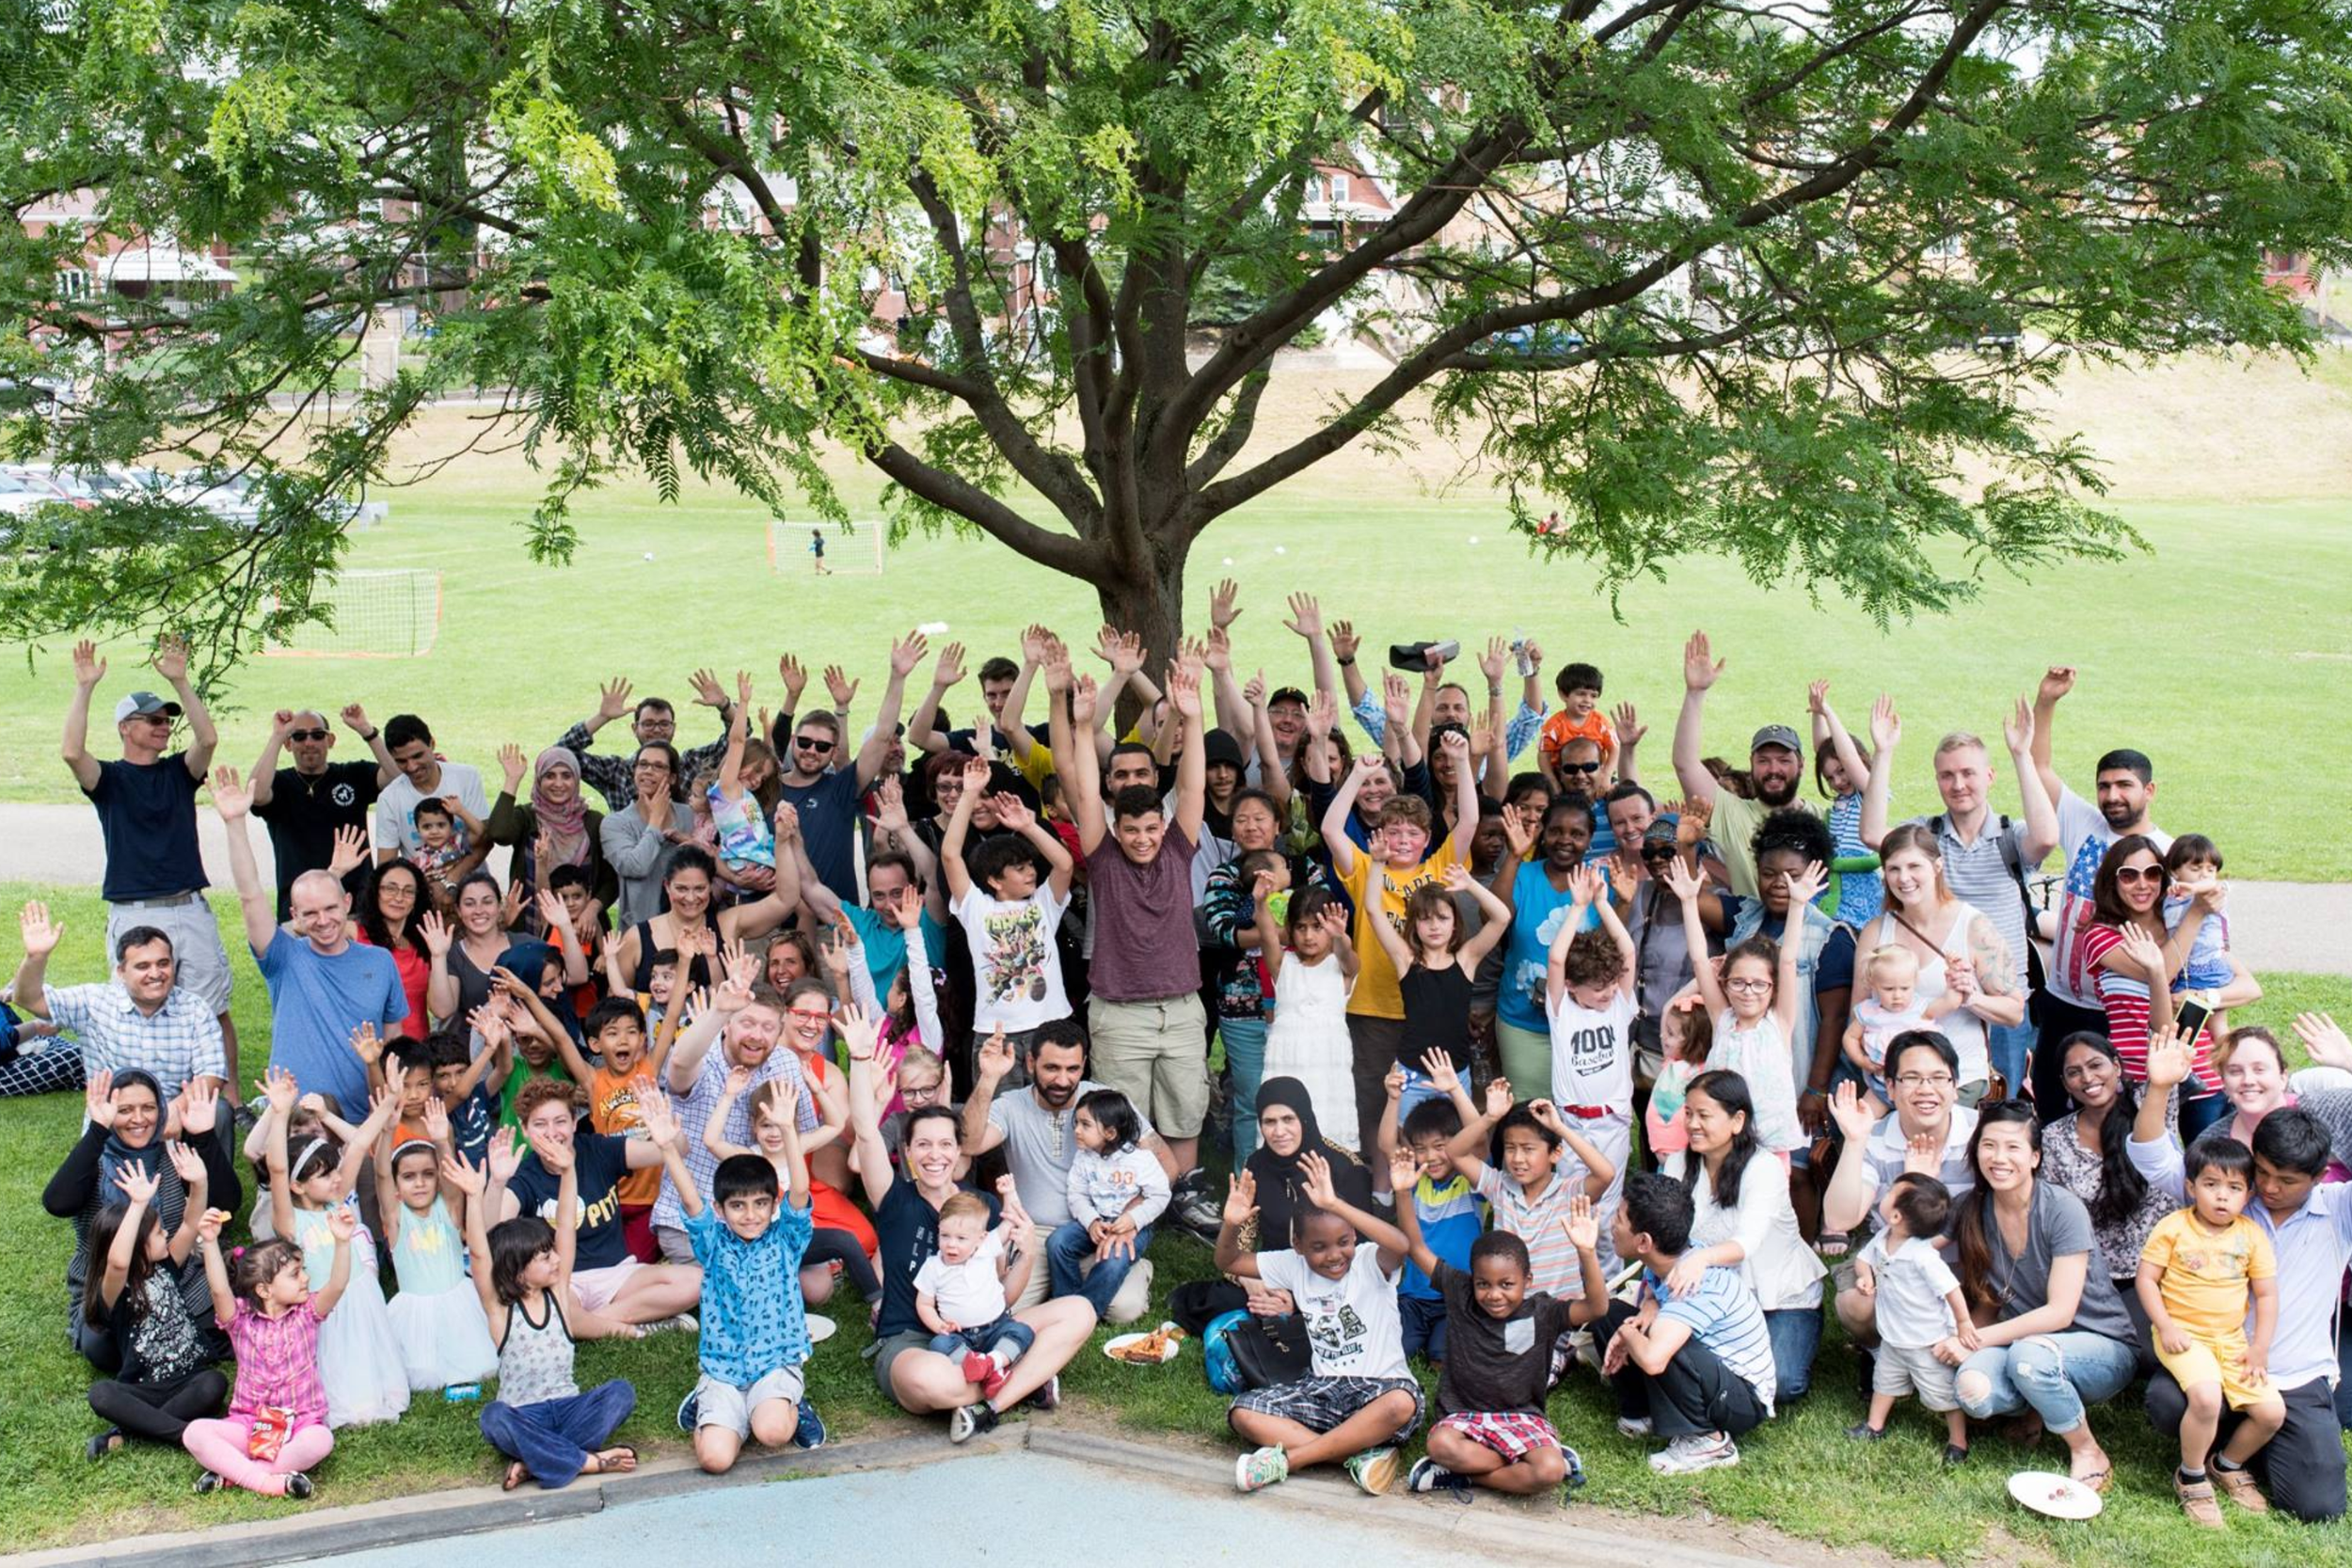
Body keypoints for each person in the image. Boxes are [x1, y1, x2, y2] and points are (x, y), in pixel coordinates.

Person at [844, 1006, 1097, 1441]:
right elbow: (866, 1134)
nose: (935, 1155)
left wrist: (1027, 1251)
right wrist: (862, 1062)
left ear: (961, 1151)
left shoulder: (982, 1204)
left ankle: (992, 1404)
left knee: (1080, 1311)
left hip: (987, 1332)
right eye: (922, 1145)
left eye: (945, 1144)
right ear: (907, 1153)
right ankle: (1024, 1379)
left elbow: (1001, 1293)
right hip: (912, 1340)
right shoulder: (895, 1198)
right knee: (934, 1383)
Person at [2137, 1047, 2349, 1522]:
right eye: (2265, 1173)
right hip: (2214, 1356)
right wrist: (2159, 1086)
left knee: (2317, 1508)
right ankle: (2202, 1464)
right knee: (2170, 1403)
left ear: (2318, 1177)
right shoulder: (2228, 1197)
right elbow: (2155, 1158)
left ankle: (2233, 1458)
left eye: (2289, 1180)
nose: (2271, 1188)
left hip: (2295, 1376)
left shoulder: (2339, 1209)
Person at [1049, 646, 1214, 1186]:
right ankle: (1133, 1198)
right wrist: (1079, 723)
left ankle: (1180, 1196)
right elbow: (1083, 788)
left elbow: (1191, 787)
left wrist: (1192, 713)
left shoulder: (1178, 846)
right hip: (1120, 1013)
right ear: (1117, 830)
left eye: (1150, 829)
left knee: (1186, 1112)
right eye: (1132, 830)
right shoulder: (1101, 857)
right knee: (1123, 1118)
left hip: (1182, 1009)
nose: (1142, 839)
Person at [62, 636, 241, 1100]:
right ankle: (141, 1095)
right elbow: (71, 753)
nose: (165, 728)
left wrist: (180, 680)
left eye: (167, 721)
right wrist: (84, 688)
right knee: (135, 1004)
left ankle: (229, 1099)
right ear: (126, 727)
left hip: (189, 908)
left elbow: (208, 738)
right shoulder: (109, 779)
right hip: (134, 911)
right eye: (154, 720)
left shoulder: (179, 772)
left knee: (212, 1008)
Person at [1860, 697, 2058, 1101]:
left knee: (1998, 1111)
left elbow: (2048, 836)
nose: (1958, 784)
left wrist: (2022, 755)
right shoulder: (1927, 837)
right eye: (1947, 775)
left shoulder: (2009, 836)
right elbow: (1874, 834)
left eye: (1968, 773)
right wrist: (1883, 753)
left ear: (1989, 776)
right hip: (1929, 999)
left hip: (1998, 1002)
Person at [1945, 1101, 2139, 1494]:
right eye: (1989, 1145)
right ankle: (2035, 1407)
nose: (1999, 1158)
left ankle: (2087, 1450)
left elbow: (2060, 1312)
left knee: (2029, 1358)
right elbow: (1988, 1295)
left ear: (2034, 1157)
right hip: (2025, 1346)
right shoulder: (1971, 1208)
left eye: (2013, 1148)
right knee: (1972, 1388)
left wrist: (1975, 1339)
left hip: (2100, 1345)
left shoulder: (2062, 1209)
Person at [1214, 1151, 1422, 1496]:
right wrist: (1232, 1223)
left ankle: (1290, 1461)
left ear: (1354, 1235)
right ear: (1297, 1246)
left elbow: (1401, 1244)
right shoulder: (1292, 1265)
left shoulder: (1370, 1260)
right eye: (1319, 1247)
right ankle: (1357, 1456)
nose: (1335, 1255)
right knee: (1243, 1413)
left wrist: (1337, 1205)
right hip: (1322, 1391)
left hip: (1380, 1389)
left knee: (1402, 1403)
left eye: (1343, 1241)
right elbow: (1229, 1260)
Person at [1392, 1159, 1600, 1497]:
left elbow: (1597, 1307)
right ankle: (1509, 1465)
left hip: (1520, 1417)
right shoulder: (1459, 1292)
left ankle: (1464, 1475)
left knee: (1547, 1472)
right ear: (1471, 1280)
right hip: (1463, 1417)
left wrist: (1587, 1253)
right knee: (1441, 1446)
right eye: (1483, 1284)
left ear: (1527, 1281)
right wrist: (1403, 1194)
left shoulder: (1543, 1312)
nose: (1494, 1294)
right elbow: (1416, 1248)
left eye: (1506, 1284)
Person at [446, 1140, 641, 1490]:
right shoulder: (500, 1309)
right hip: (523, 1414)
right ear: (518, 1272)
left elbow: (567, 1225)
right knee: (494, 1418)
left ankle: (535, 1461)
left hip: (569, 1408)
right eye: (544, 1257)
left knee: (620, 1393)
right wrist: (474, 1198)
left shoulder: (559, 1297)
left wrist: (568, 1172)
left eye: (552, 1253)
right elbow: (478, 1254)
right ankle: (587, 1461)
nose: (556, 1260)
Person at [1324, 736, 1480, 1172]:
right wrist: (1356, 775)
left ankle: (1441, 1181)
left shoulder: (1438, 868)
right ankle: (1383, 1186)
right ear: (1380, 835)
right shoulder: (1365, 867)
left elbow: (1468, 821)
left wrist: (1463, 760)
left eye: (1413, 833)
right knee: (1377, 1103)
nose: (1403, 840)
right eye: (1394, 832)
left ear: (1427, 838)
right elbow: (1331, 829)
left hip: (1426, 1015)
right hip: (1374, 1009)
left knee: (1438, 1109)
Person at [215, 768, 407, 1119]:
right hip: (296, 1120)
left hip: (363, 1121)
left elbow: (394, 1043)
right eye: (310, 913)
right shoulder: (282, 959)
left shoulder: (380, 962)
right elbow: (250, 895)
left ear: (348, 903)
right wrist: (234, 823)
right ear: (295, 915)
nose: (323, 921)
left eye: (331, 908)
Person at [649, 1093, 826, 1471]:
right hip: (723, 1368)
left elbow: (799, 1191)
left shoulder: (786, 1239)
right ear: (721, 1209)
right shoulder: (712, 1242)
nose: (750, 1215)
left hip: (774, 1363)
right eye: (738, 1206)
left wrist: (788, 1131)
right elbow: (691, 1202)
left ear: (773, 1205)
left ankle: (788, 1406)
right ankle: (711, 1404)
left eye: (760, 1204)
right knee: (715, 1460)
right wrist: (667, 1147)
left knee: (773, 1432)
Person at [961, 1022, 1176, 1321]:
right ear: (1031, 1062)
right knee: (1005, 1309)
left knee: (1124, 1310)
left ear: (1084, 1064)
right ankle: (1064, 1293)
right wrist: (989, 1078)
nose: (1063, 1080)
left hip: (1104, 1229)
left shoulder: (1107, 1103)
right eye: (1051, 1068)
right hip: (1035, 1233)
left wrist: (1132, 1219)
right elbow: (969, 1144)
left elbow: (1167, 1164)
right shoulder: (1010, 1105)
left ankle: (1129, 1268)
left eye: (1073, 1069)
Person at [2136, 1135, 2283, 1524]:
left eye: (2234, 1188)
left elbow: (2266, 1295)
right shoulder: (2174, 1227)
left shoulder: (2251, 1235)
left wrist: (2260, 1348)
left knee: (2271, 1412)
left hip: (2232, 1341)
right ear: (2191, 1186)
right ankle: (2191, 1475)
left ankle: (2227, 1464)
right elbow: (2147, 1280)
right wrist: (2164, 1326)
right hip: (2183, 1335)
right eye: (2211, 1184)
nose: (2222, 1197)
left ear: (2248, 1194)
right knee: (2204, 1397)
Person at [46, 1070, 237, 1369]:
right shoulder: (93, 1161)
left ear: (161, 1109)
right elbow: (57, 1203)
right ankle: (174, 1342)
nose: (139, 1119)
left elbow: (226, 1204)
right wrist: (98, 1129)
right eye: (124, 1110)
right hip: (106, 1285)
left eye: (148, 1108)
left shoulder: (171, 1156)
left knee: (228, 1304)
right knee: (100, 1346)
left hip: (177, 1274)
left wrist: (203, 1137)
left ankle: (170, 1340)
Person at [259, 1064, 409, 1428]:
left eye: (334, 1171)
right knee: (340, 1372)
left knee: (368, 1358)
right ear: (298, 1186)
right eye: (325, 1175)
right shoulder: (289, 1221)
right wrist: (279, 1115)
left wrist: (388, 1101)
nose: (337, 1178)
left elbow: (358, 1144)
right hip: (325, 1305)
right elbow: (277, 1169)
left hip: (359, 1294)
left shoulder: (337, 1200)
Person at [1599, 1171, 1778, 1476]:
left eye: (1618, 1219)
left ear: (1644, 1241)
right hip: (1715, 1375)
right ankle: (1644, 1413)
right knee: (1609, 1312)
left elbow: (1655, 1361)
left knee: (1656, 1342)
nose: (1611, 1225)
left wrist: (1628, 1333)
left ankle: (1708, 1442)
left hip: (1742, 1399)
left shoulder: (1693, 1285)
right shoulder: (1673, 1256)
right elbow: (1655, 1290)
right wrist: (1649, 1306)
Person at [1671, 1070, 1828, 1402]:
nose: (1692, 1124)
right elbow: (1665, 1232)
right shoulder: (1677, 1163)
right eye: (1688, 1113)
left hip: (1779, 1298)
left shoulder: (1763, 1167)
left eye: (1704, 1115)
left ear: (1737, 1120)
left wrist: (1699, 1257)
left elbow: (1747, 1243)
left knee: (1781, 1384)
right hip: (1710, 1294)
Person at [1821, 1033, 1982, 1343]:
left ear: (1955, 1085)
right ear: (1891, 1088)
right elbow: (1840, 1219)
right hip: (1891, 1263)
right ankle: (1879, 1349)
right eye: (1912, 1078)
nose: (1926, 1089)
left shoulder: (1980, 1133)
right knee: (1856, 1304)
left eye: (1938, 1078)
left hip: (1970, 1261)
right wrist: (1855, 1142)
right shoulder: (1875, 1138)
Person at [1666, 854, 1826, 1159]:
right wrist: (1688, 902)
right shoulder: (1722, 1018)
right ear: (1724, 984)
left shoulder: (1778, 1022)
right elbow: (1700, 958)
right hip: (1723, 1145)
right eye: (1738, 983)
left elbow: (1788, 958)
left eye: (1758, 984)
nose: (1748, 992)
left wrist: (1798, 905)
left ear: (1773, 987)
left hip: (1770, 1146)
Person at [1854, 823, 2025, 1102]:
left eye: (1914, 866)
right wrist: (1864, 1056)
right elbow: (1858, 1013)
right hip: (1890, 1088)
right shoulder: (1875, 932)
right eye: (1894, 869)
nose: (1904, 878)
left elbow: (2014, 1012)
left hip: (1956, 1083)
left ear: (1937, 866)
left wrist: (1971, 998)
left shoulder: (1974, 926)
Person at [181, 1211, 347, 1498]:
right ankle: (268, 1482)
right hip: (250, 1424)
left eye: (303, 1269)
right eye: (295, 1274)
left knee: (321, 1440)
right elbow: (219, 1291)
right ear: (264, 1290)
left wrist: (342, 1242)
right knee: (194, 1433)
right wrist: (209, 1242)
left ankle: (238, 1474)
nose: (306, 1278)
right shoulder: (240, 1320)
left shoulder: (308, 1313)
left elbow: (338, 1285)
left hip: (299, 1424)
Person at [2077, 835, 2232, 1137]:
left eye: (2152, 873)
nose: (2142, 884)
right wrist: (2197, 913)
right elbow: (2163, 969)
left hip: (2205, 1075)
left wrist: (2207, 995)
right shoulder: (2102, 936)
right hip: (2141, 1079)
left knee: (2213, 1176)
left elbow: (2247, 986)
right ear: (2113, 880)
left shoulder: (2178, 920)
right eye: (2129, 875)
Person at [80, 1148, 228, 1460]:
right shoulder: (115, 1291)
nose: (166, 1234)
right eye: (159, 1232)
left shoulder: (167, 1264)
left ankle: (128, 1436)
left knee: (215, 1383)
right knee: (102, 1394)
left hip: (191, 1379)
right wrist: (137, 1205)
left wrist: (199, 1183)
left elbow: (190, 1224)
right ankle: (185, 1435)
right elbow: (119, 1262)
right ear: (137, 1246)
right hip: (144, 1388)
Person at [8, 901, 228, 1105]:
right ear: (121, 971)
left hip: (178, 1123)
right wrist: (35, 957)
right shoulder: (95, 1002)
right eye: (143, 966)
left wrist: (174, 1114)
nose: (155, 973)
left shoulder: (195, 1009)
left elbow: (213, 1074)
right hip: (113, 1125)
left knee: (220, 1112)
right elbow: (30, 999)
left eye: (163, 963)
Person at [1443, 1078, 1617, 1327]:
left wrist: (1561, 1129)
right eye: (1510, 1148)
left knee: (1521, 1360)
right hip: (1507, 1311)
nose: (1517, 1158)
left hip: (1557, 1316)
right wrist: (1490, 1118)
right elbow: (1455, 1152)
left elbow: (1605, 1174)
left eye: (1528, 1149)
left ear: (1555, 1154)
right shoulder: (1499, 1186)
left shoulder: (1569, 1193)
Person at [773, 631, 928, 902]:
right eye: (805, 742)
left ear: (834, 751)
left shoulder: (841, 788)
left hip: (838, 922)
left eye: (822, 746)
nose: (811, 751)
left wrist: (897, 677)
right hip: (775, 919)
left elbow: (881, 735)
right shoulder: (768, 789)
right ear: (794, 741)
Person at [941, 755, 1075, 1055]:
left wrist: (1029, 826)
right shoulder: (976, 908)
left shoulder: (1043, 903)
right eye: (1020, 868)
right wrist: (969, 794)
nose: (1031, 872)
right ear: (994, 880)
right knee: (998, 1103)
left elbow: (1064, 865)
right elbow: (951, 854)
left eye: (1030, 865)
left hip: (1051, 1027)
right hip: (996, 1035)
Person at [2039, 1033, 2179, 1310]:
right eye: (2074, 1072)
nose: (2087, 1078)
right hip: (2097, 1280)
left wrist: (2157, 985)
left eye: (2095, 1065)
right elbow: (2056, 1215)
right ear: (2065, 1083)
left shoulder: (2150, 1103)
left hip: (2168, 1268)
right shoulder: (2054, 1137)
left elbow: (2165, 1031)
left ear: (2117, 1066)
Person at [1669, 629, 1814, 897]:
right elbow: (1685, 764)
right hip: (1752, 937)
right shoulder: (1732, 813)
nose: (1773, 770)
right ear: (1751, 764)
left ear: (1802, 764)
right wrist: (1695, 693)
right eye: (1764, 761)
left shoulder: (1821, 818)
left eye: (1783, 760)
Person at [1540, 860, 1637, 1257]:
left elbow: (1627, 949)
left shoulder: (1619, 1006)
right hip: (1572, 1124)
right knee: (1570, 1201)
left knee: (1608, 1205)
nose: (1609, 993)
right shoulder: (1562, 1011)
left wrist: (1603, 902)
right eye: (1598, 988)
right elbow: (1556, 961)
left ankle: (1609, 1283)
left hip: (1611, 1122)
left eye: (1613, 985)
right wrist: (1578, 907)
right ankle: (1568, 1274)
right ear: (1573, 988)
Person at [372, 1100, 498, 1393]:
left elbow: (450, 1172)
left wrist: (442, 1140)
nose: (419, 1183)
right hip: (415, 1309)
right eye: (408, 1177)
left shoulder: (450, 1207)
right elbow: (380, 1175)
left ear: (438, 1178)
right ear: (397, 1184)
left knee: (482, 1366)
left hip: (458, 1302)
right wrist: (387, 1133)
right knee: (423, 1376)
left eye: (428, 1175)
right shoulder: (396, 1218)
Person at [1846, 1173, 1971, 1464]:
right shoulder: (1883, 1237)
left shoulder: (1922, 1256)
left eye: (1890, 1193)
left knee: (1943, 1395)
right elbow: (1864, 1259)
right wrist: (1865, 1277)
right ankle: (1874, 1426)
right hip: (1893, 1336)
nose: (1884, 1194)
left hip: (1927, 1340)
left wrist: (1963, 1324)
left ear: (1896, 1215)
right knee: (1884, 1382)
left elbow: (1951, 1289)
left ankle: (1958, 1441)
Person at [1372, 863, 1513, 1113]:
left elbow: (1502, 917)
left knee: (1458, 1145)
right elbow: (1373, 909)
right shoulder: (1406, 960)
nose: (1435, 926)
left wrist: (1470, 884)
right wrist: (1376, 862)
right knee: (1411, 1148)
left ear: (1455, 924)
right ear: (1414, 925)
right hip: (1411, 1074)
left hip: (1456, 1075)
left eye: (1443, 918)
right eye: (1425, 919)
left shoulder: (1466, 958)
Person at [249, 705, 398, 919]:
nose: (309, 743)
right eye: (299, 737)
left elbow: (396, 778)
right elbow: (255, 794)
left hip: (356, 907)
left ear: (330, 740)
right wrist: (277, 737)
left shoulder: (353, 775)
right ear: (289, 744)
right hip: (300, 910)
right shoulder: (279, 784)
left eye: (318, 735)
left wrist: (367, 731)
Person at [1375, 1082, 1485, 1368]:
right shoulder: (1413, 1181)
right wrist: (1392, 1098)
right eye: (1421, 1149)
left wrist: (1457, 1091)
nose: (1431, 1157)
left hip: (1457, 1297)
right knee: (1397, 1351)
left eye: (1440, 1146)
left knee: (1441, 1358)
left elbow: (1479, 1142)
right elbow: (1388, 1145)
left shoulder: (1470, 1182)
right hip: (1413, 1296)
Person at [1253, 880, 1361, 1149]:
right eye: (1301, 927)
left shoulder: (1342, 968)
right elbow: (1267, 935)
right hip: (1287, 1065)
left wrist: (1340, 937)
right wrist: (1260, 902)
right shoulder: (1282, 965)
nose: (1309, 936)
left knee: (1329, 1134)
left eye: (1317, 927)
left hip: (1327, 1069)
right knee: (1284, 1134)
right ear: (1290, 929)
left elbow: (1349, 956)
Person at [1050, 1087, 1170, 1320]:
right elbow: (1077, 1195)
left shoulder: (1140, 1160)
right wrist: (1091, 1221)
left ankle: (1085, 1312)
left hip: (1133, 1226)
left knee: (1114, 1260)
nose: (1076, 1130)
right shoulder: (1084, 1158)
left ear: (1110, 1132)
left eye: (1085, 1125)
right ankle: (1065, 1300)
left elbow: (1160, 1195)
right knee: (1058, 1243)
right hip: (1098, 1221)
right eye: (1076, 1123)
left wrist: (1133, 1219)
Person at [916, 1185, 1039, 1404]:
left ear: (980, 1238)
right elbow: (924, 1304)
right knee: (939, 1345)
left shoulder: (986, 1249)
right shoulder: (933, 1267)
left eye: (961, 1238)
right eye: (945, 1236)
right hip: (961, 1336)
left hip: (995, 1327)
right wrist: (940, 1326)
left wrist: (1010, 1191)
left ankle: (990, 1363)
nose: (951, 1244)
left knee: (1022, 1331)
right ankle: (993, 1369)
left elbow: (1010, 1220)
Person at [557, 673, 738, 813]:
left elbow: (739, 737)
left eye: (664, 724)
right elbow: (561, 754)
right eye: (649, 724)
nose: (657, 730)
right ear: (635, 728)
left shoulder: (691, 763)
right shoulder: (616, 771)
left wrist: (724, 704)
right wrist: (602, 717)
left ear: (674, 728)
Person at [1843, 945, 1956, 1114]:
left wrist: (1953, 976)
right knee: (1863, 1118)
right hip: (1880, 1084)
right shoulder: (1868, 1012)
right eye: (1888, 989)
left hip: (1918, 1090)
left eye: (1905, 988)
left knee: (1919, 1123)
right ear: (1873, 984)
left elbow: (1951, 1002)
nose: (1897, 995)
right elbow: (1850, 1037)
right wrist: (1861, 1060)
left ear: (1914, 983)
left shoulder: (1921, 1009)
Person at [373, 713, 489, 871]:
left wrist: (450, 882)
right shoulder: (389, 799)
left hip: (472, 883)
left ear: (432, 744)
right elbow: (386, 867)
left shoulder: (467, 777)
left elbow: (484, 839)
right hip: (423, 887)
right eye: (401, 761)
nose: (412, 767)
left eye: (417, 756)